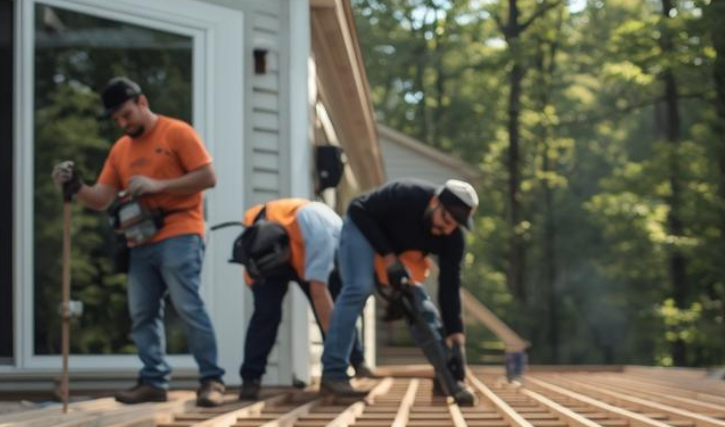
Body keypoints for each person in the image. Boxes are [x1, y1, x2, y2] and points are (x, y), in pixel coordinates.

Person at [51, 77, 227, 407]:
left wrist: (158, 185)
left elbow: (208, 177)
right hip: (140, 239)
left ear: (142, 102)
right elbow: (101, 198)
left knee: (188, 305)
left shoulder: (177, 132)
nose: (122, 123)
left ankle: (212, 380)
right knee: (142, 313)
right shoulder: (121, 149)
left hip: (180, 230)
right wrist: (76, 187)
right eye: (116, 118)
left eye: (126, 114)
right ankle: (153, 381)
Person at [320, 179, 479, 404]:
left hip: (399, 253)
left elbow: (449, 288)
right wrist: (388, 256)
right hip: (362, 229)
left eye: (455, 225)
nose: (447, 228)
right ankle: (333, 375)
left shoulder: (451, 239)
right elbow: (358, 208)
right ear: (435, 202)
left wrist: (457, 336)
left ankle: (446, 375)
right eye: (445, 219)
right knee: (359, 287)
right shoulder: (406, 195)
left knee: (419, 305)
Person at [236, 198, 374, 401]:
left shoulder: (344, 245)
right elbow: (319, 293)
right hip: (270, 246)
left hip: (299, 248)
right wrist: (335, 343)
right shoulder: (325, 236)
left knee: (341, 304)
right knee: (267, 314)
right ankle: (251, 380)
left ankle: (357, 362)